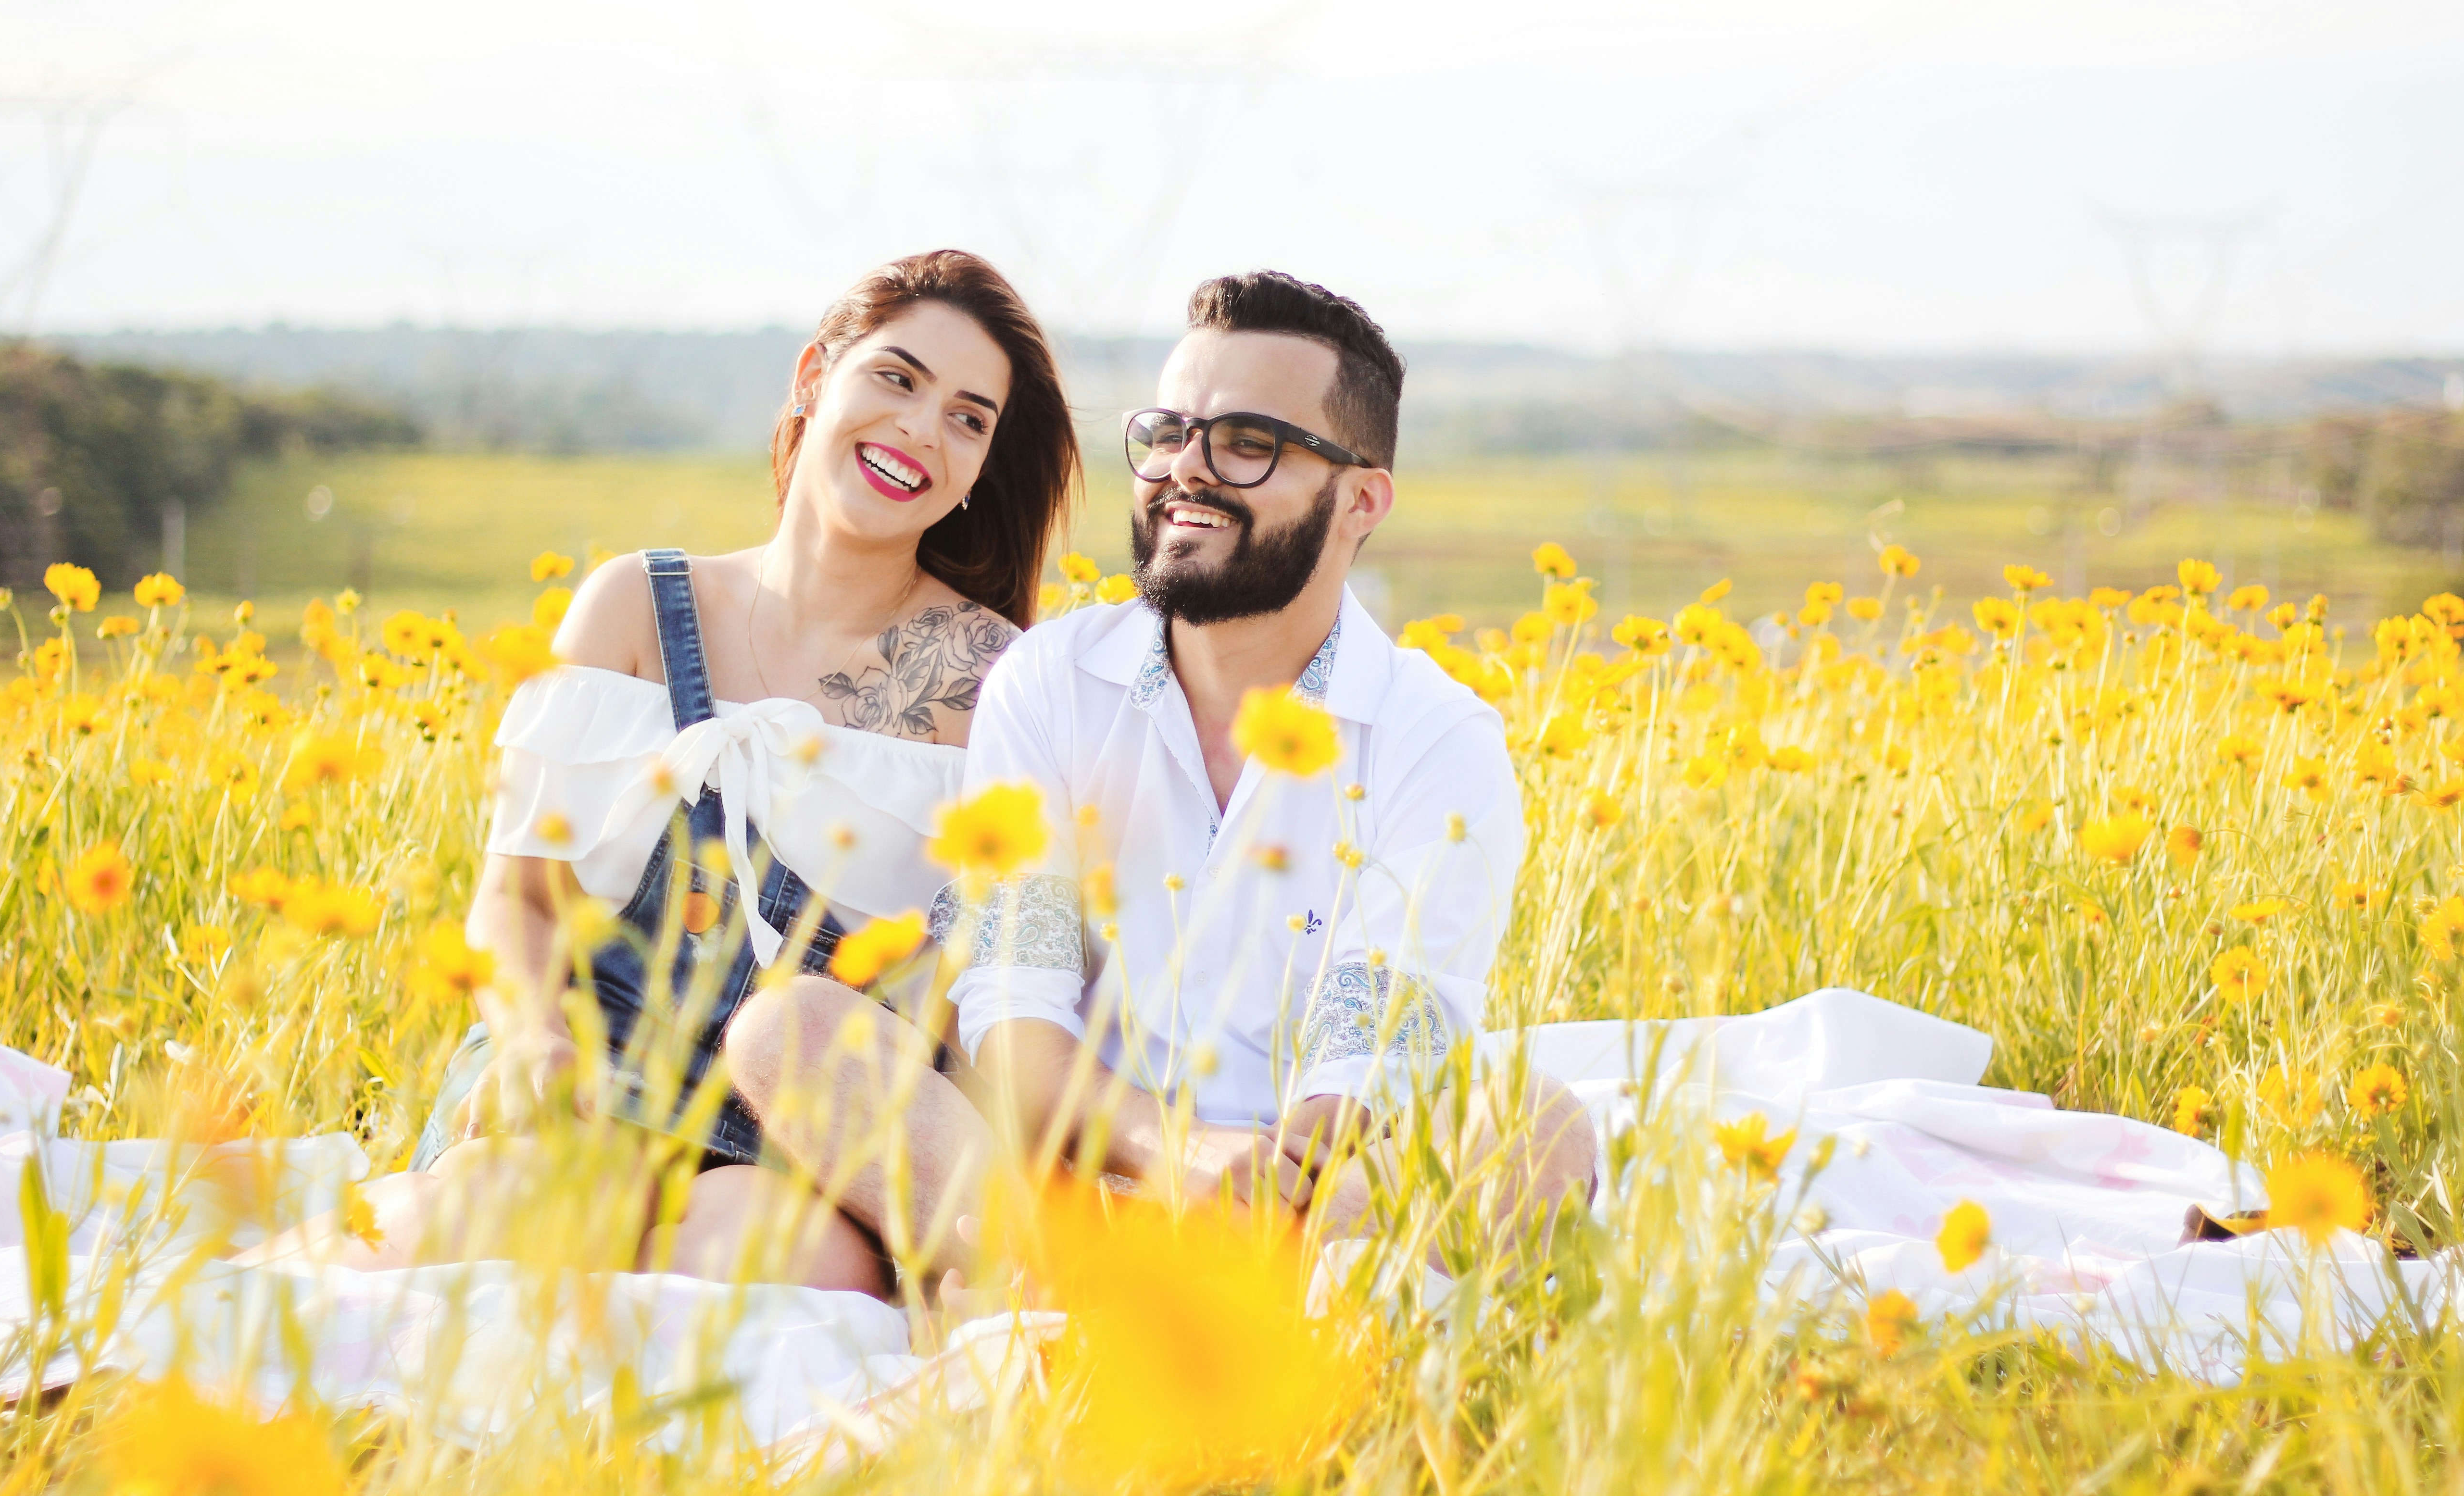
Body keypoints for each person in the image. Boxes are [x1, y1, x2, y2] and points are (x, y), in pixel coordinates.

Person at [240, 249, 1078, 1293]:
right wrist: (532, 1039)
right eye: (897, 379)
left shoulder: (995, 682)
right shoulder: (636, 606)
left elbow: (981, 987)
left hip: (803, 1122)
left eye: (968, 418)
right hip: (588, 1061)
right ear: (815, 377)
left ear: (982, 468)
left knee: (761, 1267)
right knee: (531, 1210)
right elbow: (519, 901)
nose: (920, 429)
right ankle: (162, 1340)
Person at [723, 270, 1595, 1270]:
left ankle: (1239, 1314)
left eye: (1248, 444)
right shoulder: (1048, 685)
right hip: (1080, 1182)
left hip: (1314, 1199)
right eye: (1170, 433)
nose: (1188, 469)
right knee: (788, 1032)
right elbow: (1015, 1012)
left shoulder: (1435, 737)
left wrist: (1261, 1189)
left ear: (1361, 500)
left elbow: (1381, 1047)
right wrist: (1170, 1154)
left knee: (1537, 1122)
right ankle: (1086, 1290)